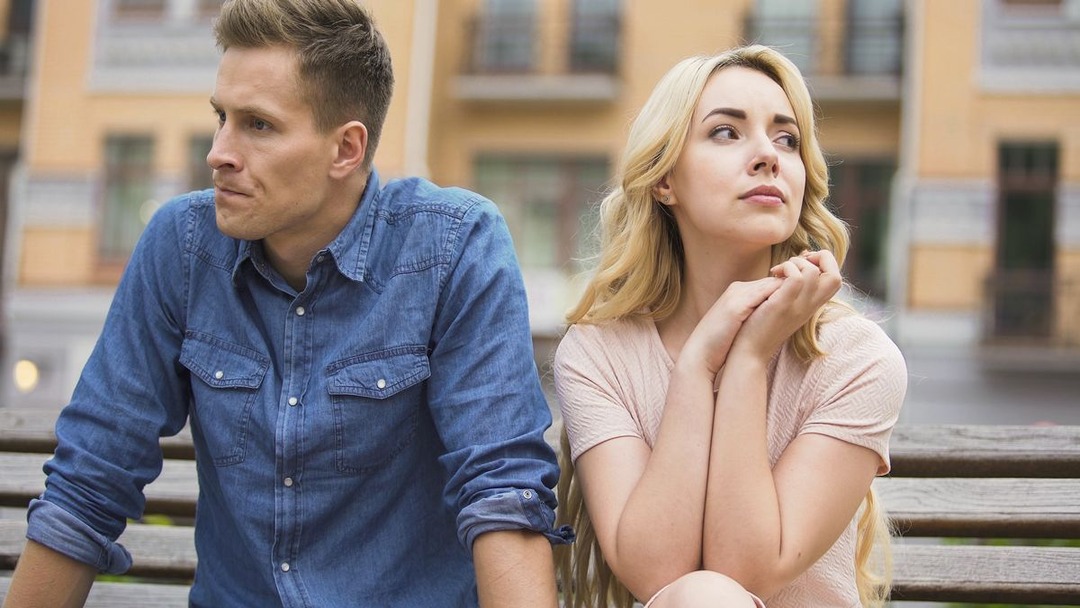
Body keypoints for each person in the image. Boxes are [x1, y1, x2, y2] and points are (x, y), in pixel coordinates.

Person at [4, 1, 571, 606]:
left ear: (346, 149)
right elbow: (91, 477)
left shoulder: (452, 246)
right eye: (222, 116)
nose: (218, 151)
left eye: (258, 125)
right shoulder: (183, 246)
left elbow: (501, 491)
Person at [552, 45, 907, 608]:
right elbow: (658, 573)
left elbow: (746, 572)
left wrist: (746, 360)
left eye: (786, 139)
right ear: (664, 178)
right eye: (727, 132)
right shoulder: (599, 354)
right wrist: (697, 365)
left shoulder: (857, 358)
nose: (769, 155)